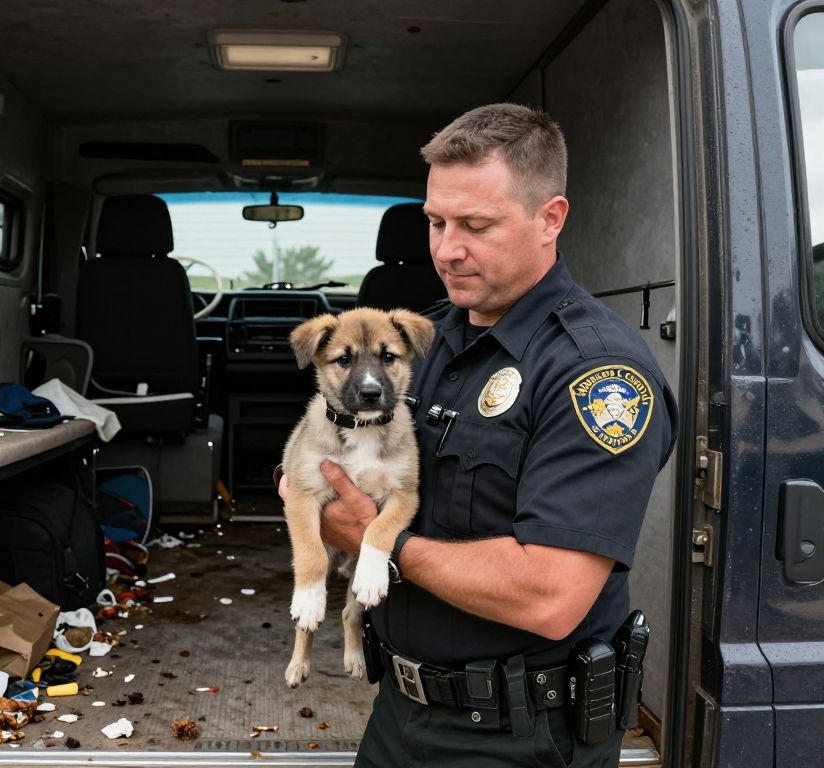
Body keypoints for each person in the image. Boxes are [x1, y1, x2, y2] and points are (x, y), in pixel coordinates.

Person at [281, 103, 678, 767]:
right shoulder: (427, 341)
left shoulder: (596, 375)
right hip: (399, 712)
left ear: (550, 219)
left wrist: (378, 542)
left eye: (476, 225)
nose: (445, 248)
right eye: (435, 221)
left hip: (519, 733)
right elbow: (336, 454)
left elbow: (550, 595)